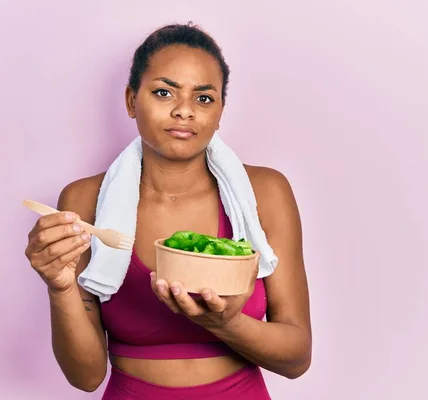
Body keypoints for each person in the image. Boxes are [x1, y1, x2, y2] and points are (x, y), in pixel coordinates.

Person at [24, 23, 311, 399]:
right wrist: (59, 287)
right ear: (131, 100)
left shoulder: (266, 193)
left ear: (221, 111)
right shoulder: (83, 200)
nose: (184, 111)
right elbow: (87, 376)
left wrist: (224, 323)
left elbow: (296, 358)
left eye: (204, 98)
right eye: (164, 92)